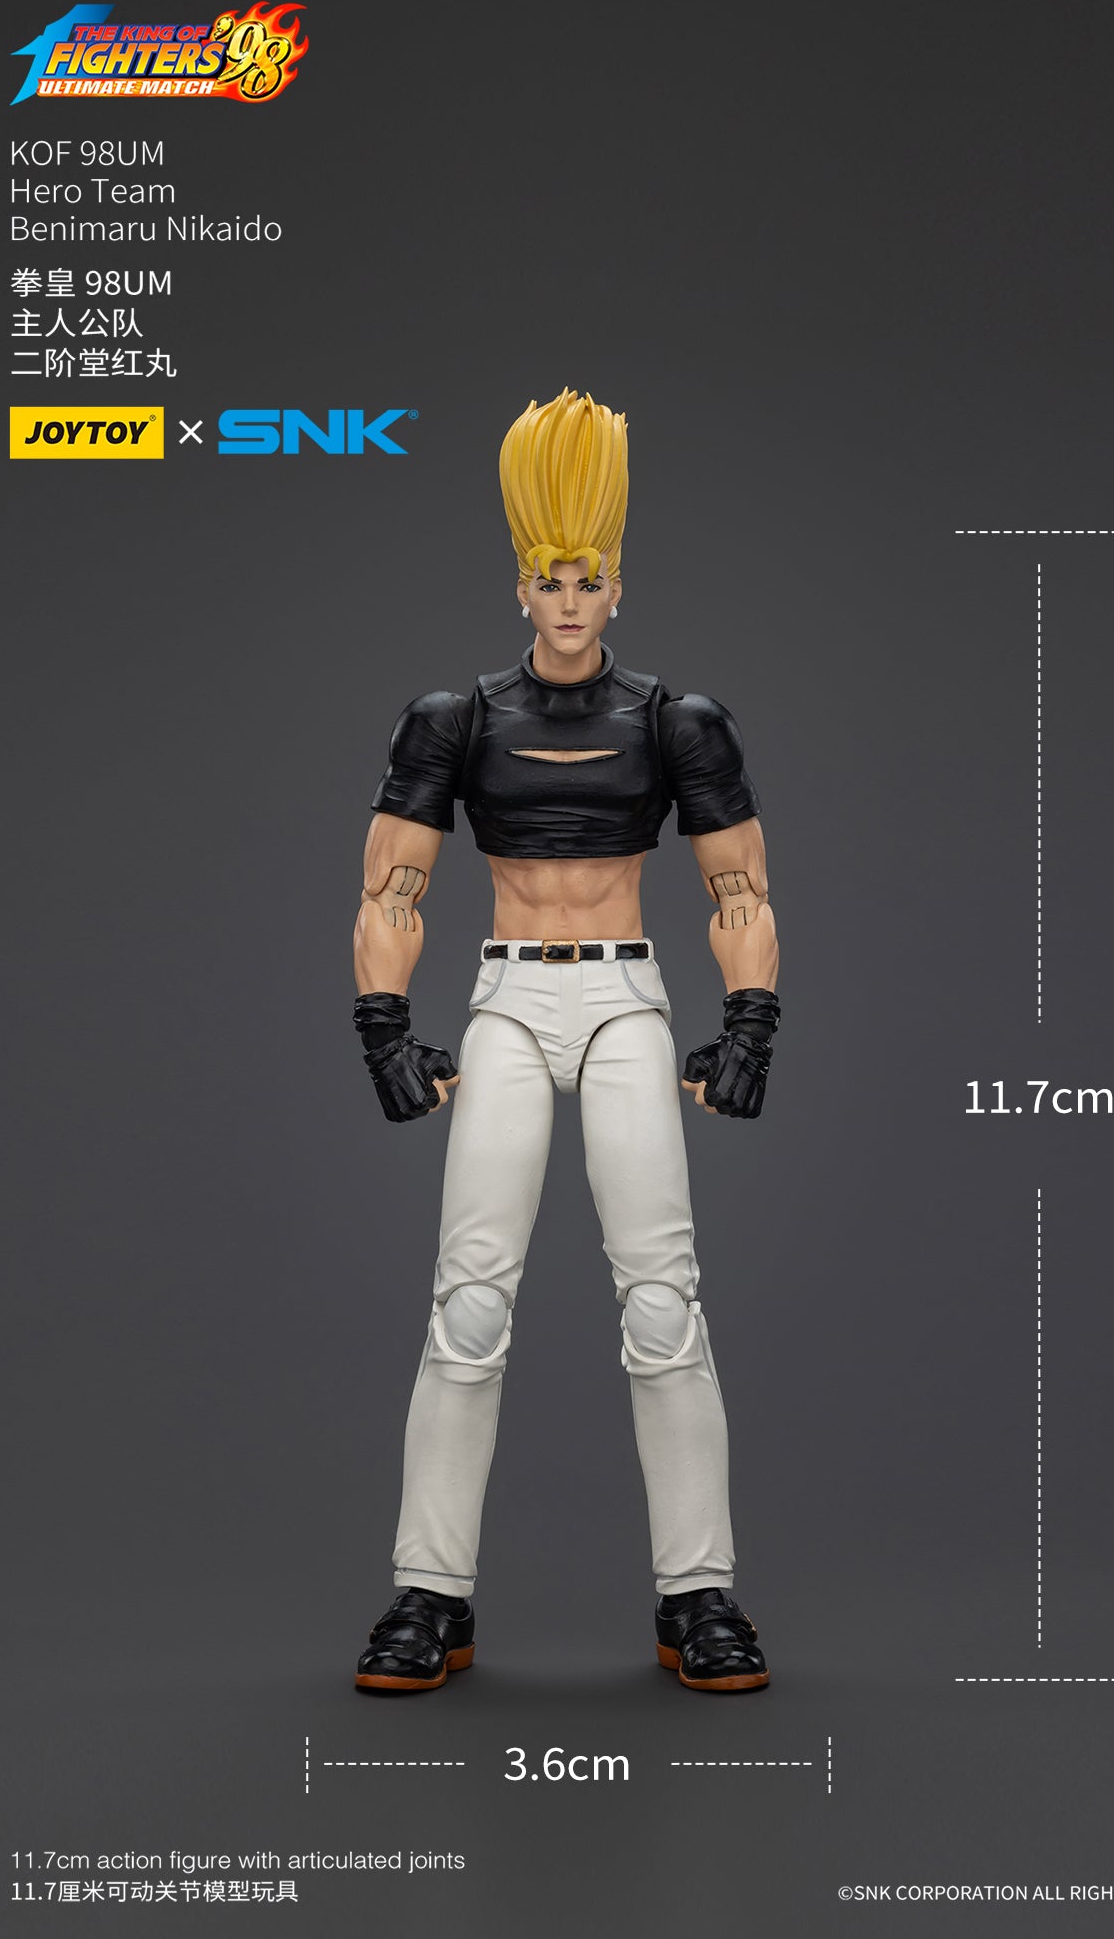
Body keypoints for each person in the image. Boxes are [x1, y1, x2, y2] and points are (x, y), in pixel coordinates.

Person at [351, 390, 780, 1694]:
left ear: (617, 587)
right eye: (552, 578)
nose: (572, 598)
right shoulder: (459, 719)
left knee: (662, 1298)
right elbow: (392, 889)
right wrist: (382, 1024)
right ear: (522, 587)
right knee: (470, 1300)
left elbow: (740, 888)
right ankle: (431, 1596)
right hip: (507, 1000)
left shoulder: (674, 720)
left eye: (590, 578)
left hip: (624, 1001)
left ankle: (698, 1594)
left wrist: (752, 1020)